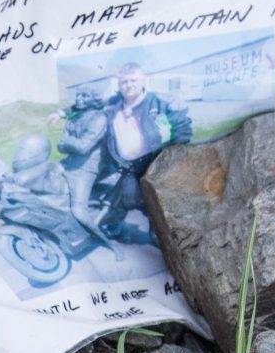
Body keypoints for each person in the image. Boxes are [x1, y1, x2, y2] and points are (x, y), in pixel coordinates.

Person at [76, 63, 190, 242]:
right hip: (129, 166)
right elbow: (86, 105)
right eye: (124, 82)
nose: (129, 85)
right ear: (119, 85)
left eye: (133, 80)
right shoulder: (113, 104)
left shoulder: (160, 103)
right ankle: (117, 226)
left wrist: (171, 159)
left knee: (160, 201)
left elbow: (182, 130)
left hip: (157, 163)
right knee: (130, 198)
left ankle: (161, 235)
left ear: (143, 80)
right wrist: (62, 113)